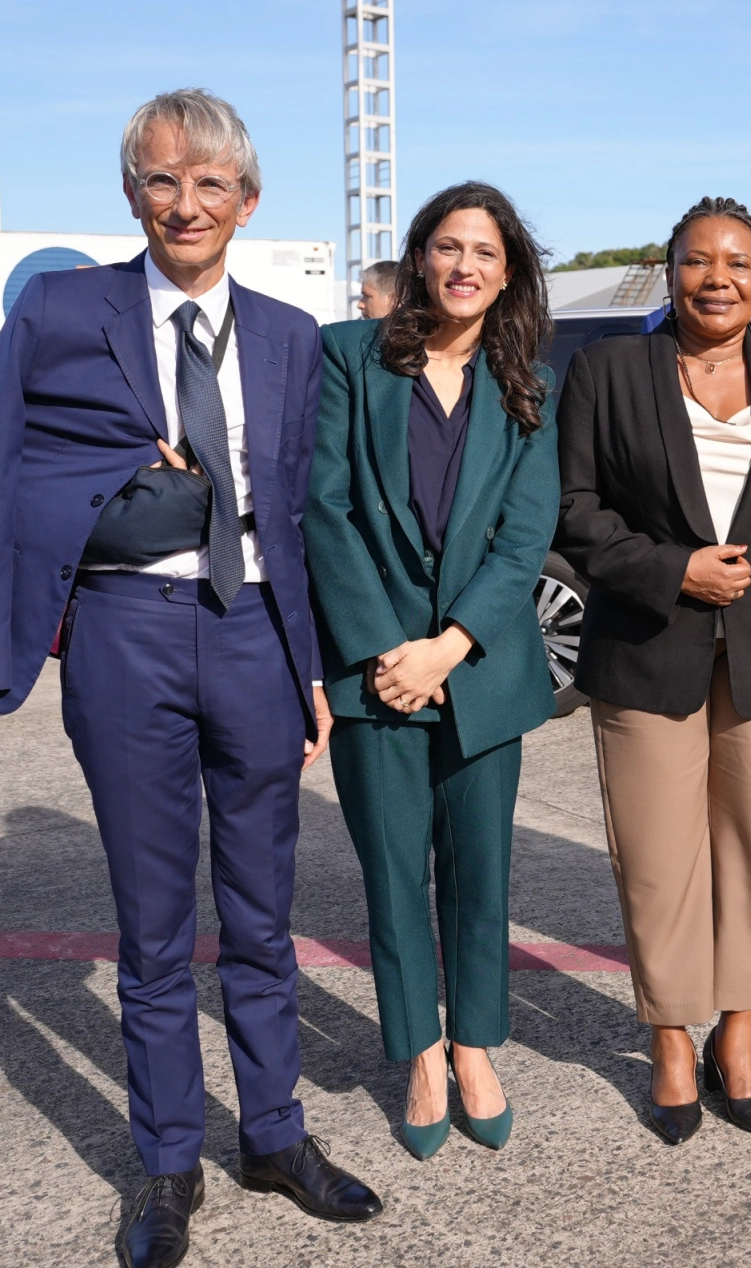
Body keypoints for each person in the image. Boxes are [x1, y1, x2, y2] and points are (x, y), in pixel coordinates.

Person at [0, 89, 381, 1268]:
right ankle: (168, 1159)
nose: (186, 203)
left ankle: (272, 1133)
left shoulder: (288, 333)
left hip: (253, 636)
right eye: (162, 181)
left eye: (210, 183)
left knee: (262, 912)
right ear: (132, 193)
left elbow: (301, 510)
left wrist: (317, 663)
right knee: (154, 925)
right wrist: (71, 539)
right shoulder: (64, 310)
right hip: (127, 631)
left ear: (249, 200)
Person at [556, 196, 751, 1145]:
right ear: (669, 271)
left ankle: (738, 1032)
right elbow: (570, 508)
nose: (717, 279)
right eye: (697, 262)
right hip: (647, 645)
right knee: (656, 861)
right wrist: (668, 567)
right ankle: (671, 1041)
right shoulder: (608, 373)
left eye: (737, 263)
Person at [305, 181, 559, 1159]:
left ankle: (476, 1044)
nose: (464, 266)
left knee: (480, 872)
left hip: (479, 668)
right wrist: (385, 650)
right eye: (448, 247)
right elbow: (323, 508)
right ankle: (416, 1051)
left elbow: (526, 535)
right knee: (393, 876)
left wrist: (450, 645)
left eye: (485, 253)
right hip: (377, 672)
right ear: (419, 257)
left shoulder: (529, 380)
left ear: (507, 272)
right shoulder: (347, 358)